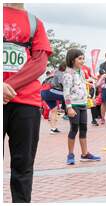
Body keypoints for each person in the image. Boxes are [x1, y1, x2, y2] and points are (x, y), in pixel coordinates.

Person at [3, 3, 52, 202]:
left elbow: (40, 62)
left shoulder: (34, 23)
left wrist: (6, 85)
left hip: (26, 102)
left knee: (23, 165)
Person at [63, 48, 101, 165]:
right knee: (74, 129)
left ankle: (85, 154)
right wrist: (69, 107)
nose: (82, 61)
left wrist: (90, 82)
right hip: (73, 105)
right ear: (72, 59)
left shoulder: (82, 72)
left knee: (84, 129)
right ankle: (70, 154)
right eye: (80, 58)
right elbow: (66, 92)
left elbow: (83, 83)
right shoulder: (68, 74)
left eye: (83, 58)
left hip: (83, 104)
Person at [41, 62, 66, 134]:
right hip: (49, 90)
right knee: (69, 96)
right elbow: (63, 84)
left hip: (44, 92)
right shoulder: (60, 73)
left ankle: (53, 128)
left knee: (54, 110)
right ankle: (66, 111)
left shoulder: (54, 72)